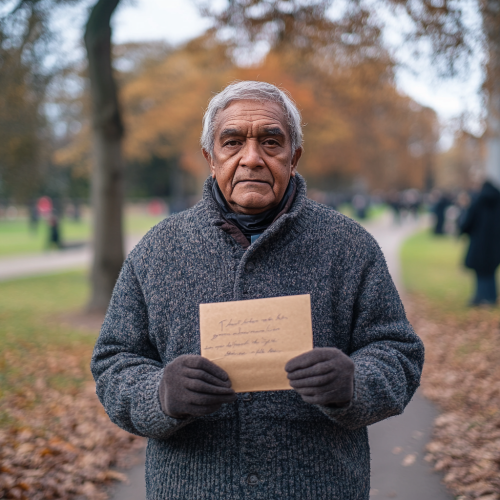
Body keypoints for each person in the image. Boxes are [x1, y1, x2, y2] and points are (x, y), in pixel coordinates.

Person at [91, 81, 424, 500]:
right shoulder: (158, 251)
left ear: (294, 157)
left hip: (321, 488)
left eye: (271, 141)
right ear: (210, 159)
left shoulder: (349, 246)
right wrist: (159, 393)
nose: (252, 158)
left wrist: (356, 383)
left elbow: (398, 352)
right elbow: (113, 361)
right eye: (232, 143)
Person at [460, 179, 500, 306]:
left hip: (479, 243)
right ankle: (491, 297)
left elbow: (468, 221)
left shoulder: (478, 200)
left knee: (480, 270)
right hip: (495, 243)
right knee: (491, 269)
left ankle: (481, 296)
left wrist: (463, 229)